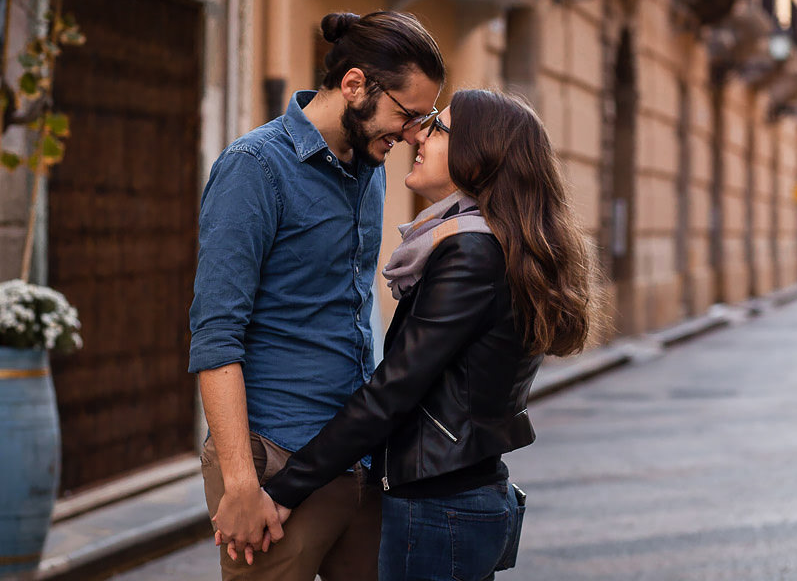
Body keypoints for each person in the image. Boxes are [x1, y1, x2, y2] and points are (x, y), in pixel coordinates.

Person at [249, 89, 599, 580]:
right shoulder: (489, 243)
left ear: (479, 153)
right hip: (460, 497)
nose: (418, 133)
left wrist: (284, 489)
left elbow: (393, 391)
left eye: (438, 127)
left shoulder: (472, 254)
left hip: (440, 507)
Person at [188, 11, 444, 580]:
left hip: (359, 457)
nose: (408, 135)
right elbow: (215, 334)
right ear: (354, 85)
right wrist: (240, 485)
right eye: (405, 115)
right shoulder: (254, 168)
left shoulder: (369, 167)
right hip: (276, 462)